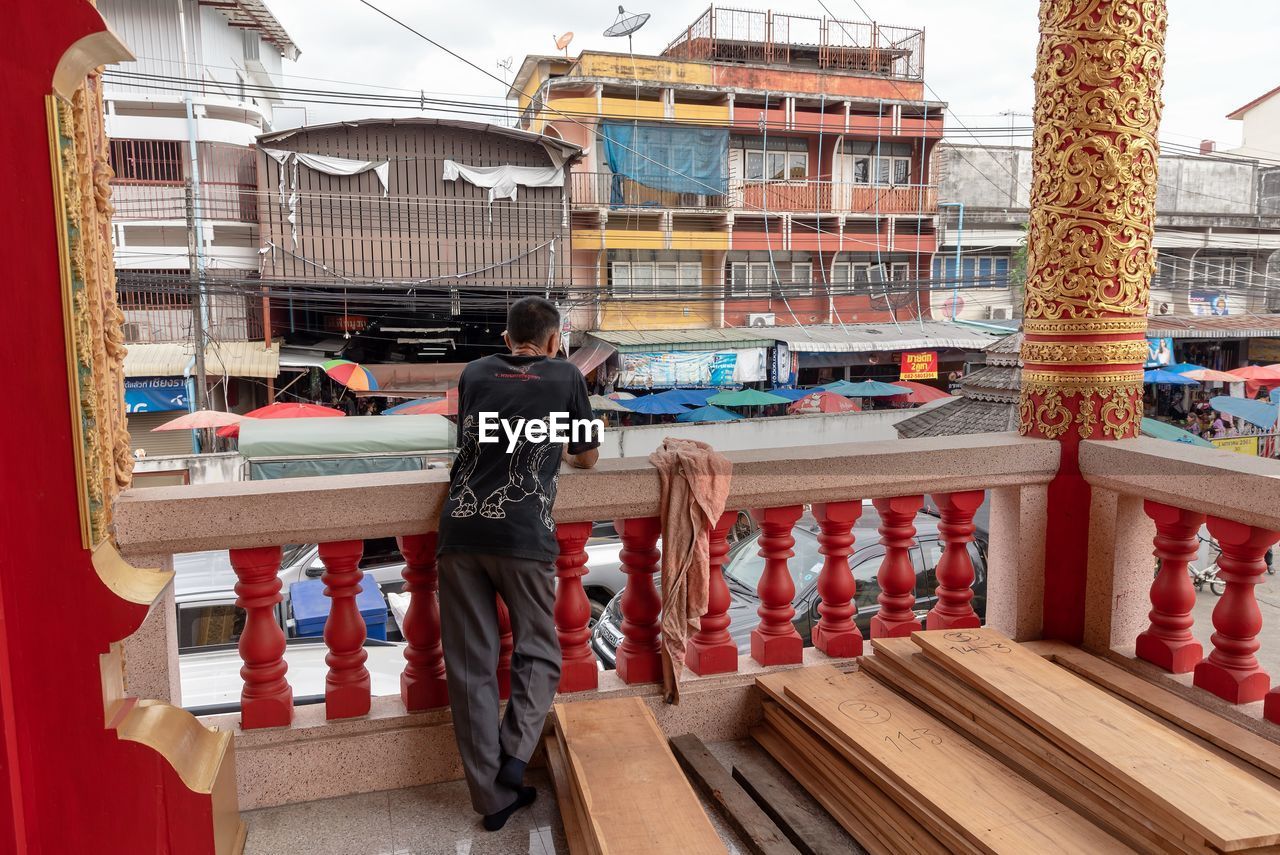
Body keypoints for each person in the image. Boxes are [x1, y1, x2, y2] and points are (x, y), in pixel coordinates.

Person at [435, 297, 600, 831]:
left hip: (460, 530)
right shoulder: (566, 376)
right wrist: (564, 452)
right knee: (540, 650)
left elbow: (475, 438)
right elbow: (588, 453)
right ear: (554, 341)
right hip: (524, 534)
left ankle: (493, 798)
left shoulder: (475, 373)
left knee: (470, 667)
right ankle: (513, 753)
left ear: (507, 340)